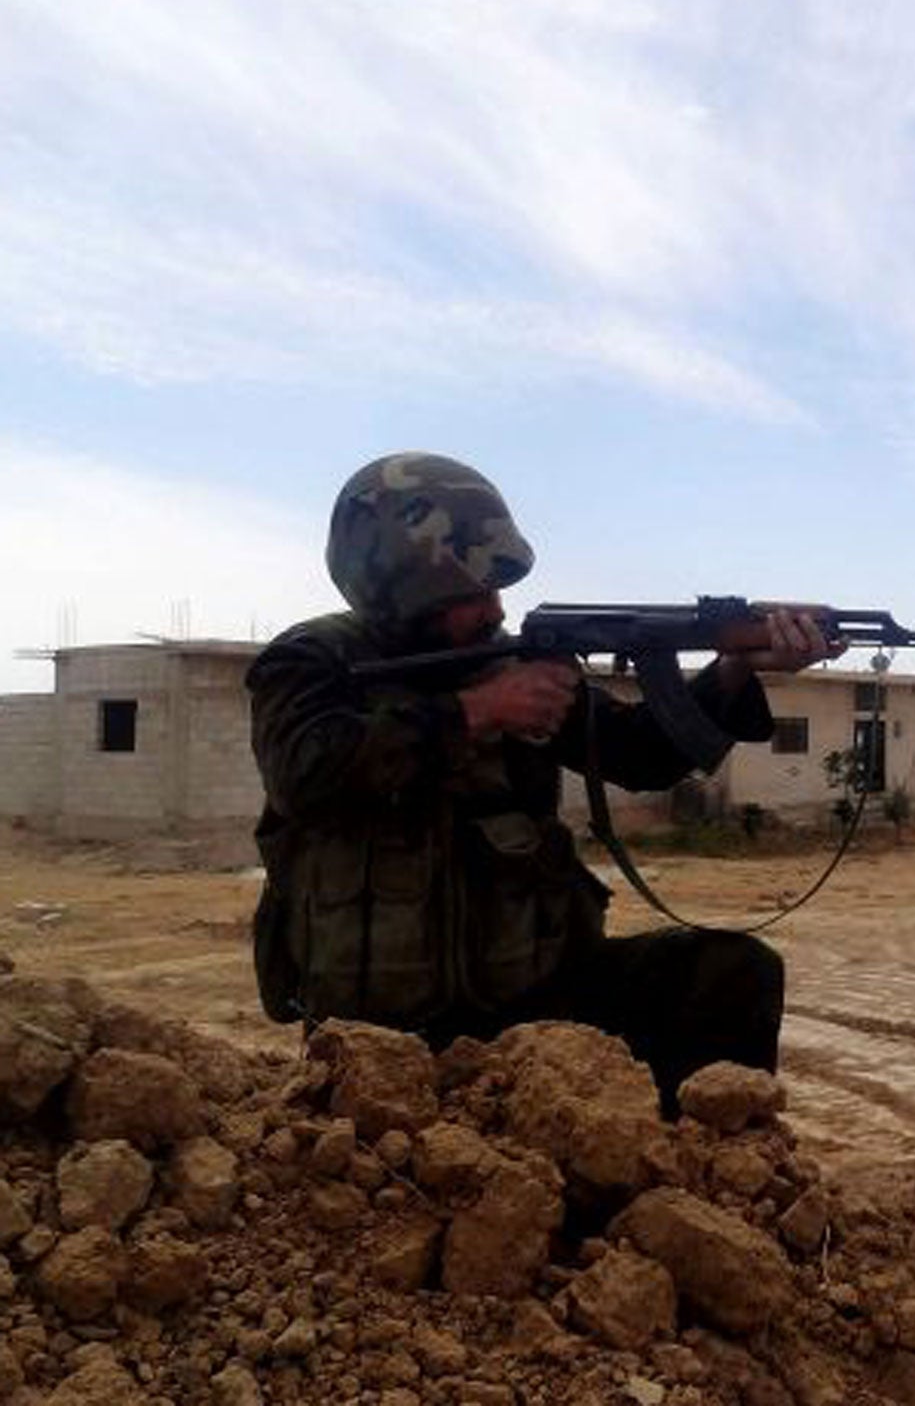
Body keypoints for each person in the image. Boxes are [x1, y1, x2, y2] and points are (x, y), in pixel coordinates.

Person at [247, 451, 840, 1116]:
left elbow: (641, 754)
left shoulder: (511, 663)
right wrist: (475, 713)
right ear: (401, 584)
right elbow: (303, 771)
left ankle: (685, 1177)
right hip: (384, 1039)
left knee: (735, 971)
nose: (495, 607)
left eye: (497, 587)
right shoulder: (311, 661)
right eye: (471, 592)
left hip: (540, 1001)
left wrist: (732, 669)